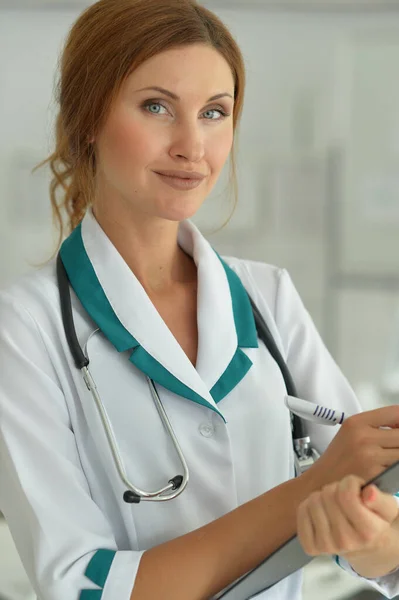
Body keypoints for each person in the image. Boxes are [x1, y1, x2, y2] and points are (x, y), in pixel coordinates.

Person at [1, 1, 399, 599]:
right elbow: (79, 585)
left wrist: (369, 538)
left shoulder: (267, 296)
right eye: (157, 107)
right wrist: (305, 498)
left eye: (215, 112)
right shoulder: (24, 328)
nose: (193, 145)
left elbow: (369, 519)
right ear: (88, 117)